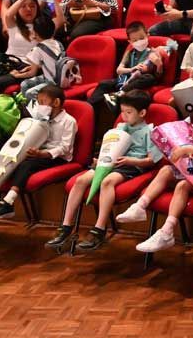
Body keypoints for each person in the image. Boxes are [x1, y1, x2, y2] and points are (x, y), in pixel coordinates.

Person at [120, 88, 193, 251]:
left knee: (182, 186)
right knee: (165, 171)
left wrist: (185, 149)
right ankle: (140, 206)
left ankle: (167, 231)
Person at [50, 90, 163, 252]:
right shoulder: (120, 127)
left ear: (142, 113)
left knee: (107, 181)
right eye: (122, 111)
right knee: (80, 180)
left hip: (131, 166)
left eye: (129, 112)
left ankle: (99, 228)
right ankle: (66, 226)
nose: (124, 116)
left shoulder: (150, 131)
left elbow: (151, 160)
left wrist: (130, 160)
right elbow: (109, 147)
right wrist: (100, 159)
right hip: (110, 162)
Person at [0, 85, 78, 219]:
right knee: (11, 160)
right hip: (36, 153)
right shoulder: (39, 119)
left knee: (26, 165)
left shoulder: (69, 121)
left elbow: (65, 148)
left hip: (56, 157)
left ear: (56, 102)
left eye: (42, 102)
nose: (39, 106)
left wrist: (41, 154)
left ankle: (8, 201)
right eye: (38, 102)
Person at [87, 22, 166, 107]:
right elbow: (119, 70)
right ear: (129, 41)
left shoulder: (153, 52)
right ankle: (89, 107)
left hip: (140, 80)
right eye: (135, 40)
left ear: (147, 35)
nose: (139, 42)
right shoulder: (130, 53)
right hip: (125, 78)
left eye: (142, 38)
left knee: (149, 78)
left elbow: (158, 77)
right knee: (104, 83)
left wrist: (159, 65)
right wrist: (132, 69)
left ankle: (120, 93)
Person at [14, 17, 64, 101]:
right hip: (61, 78)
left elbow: (32, 73)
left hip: (53, 82)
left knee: (30, 93)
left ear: (36, 34)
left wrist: (17, 75)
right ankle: (27, 107)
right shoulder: (58, 43)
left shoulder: (38, 49)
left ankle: (38, 111)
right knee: (24, 84)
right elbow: (50, 63)